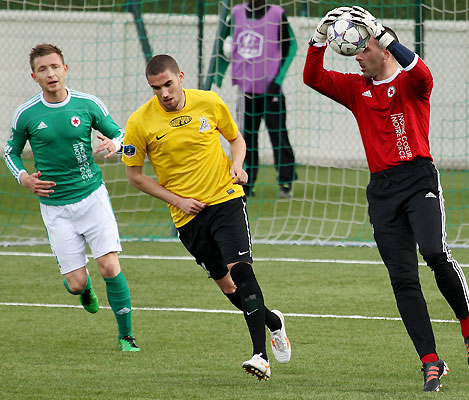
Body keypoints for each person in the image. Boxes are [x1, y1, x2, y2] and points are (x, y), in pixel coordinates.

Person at [303, 7, 469, 392]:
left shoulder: (410, 84)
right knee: (403, 279)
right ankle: (430, 361)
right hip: (382, 190)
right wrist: (318, 38)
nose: (355, 54)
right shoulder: (357, 89)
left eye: (362, 45)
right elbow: (313, 77)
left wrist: (384, 35)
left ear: (383, 49)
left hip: (418, 177)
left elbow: (424, 74)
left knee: (436, 254)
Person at [122, 54, 291, 380]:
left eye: (168, 84)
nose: (164, 93)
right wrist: (178, 201)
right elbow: (135, 177)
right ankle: (273, 322)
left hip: (225, 199)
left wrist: (238, 166)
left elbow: (236, 139)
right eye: (156, 88)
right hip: (187, 218)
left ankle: (260, 356)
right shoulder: (140, 122)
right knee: (228, 287)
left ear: (180, 76)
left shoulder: (209, 102)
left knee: (241, 271)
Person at [3, 43, 139, 352]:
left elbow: (121, 134)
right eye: (42, 69)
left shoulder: (88, 104)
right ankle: (85, 288)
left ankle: (126, 336)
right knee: (76, 284)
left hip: (92, 197)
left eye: (54, 67)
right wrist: (23, 177)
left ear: (65, 69)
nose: (50, 73)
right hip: (55, 207)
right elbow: (10, 152)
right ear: (34, 76)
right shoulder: (26, 114)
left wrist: (116, 145)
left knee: (109, 266)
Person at [216, 0, 297, 199]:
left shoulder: (277, 14)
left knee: (278, 137)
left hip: (271, 92)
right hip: (246, 92)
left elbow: (292, 45)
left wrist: (278, 80)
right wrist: (218, 73)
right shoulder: (235, 14)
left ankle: (285, 182)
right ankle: (247, 183)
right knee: (246, 139)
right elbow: (222, 42)